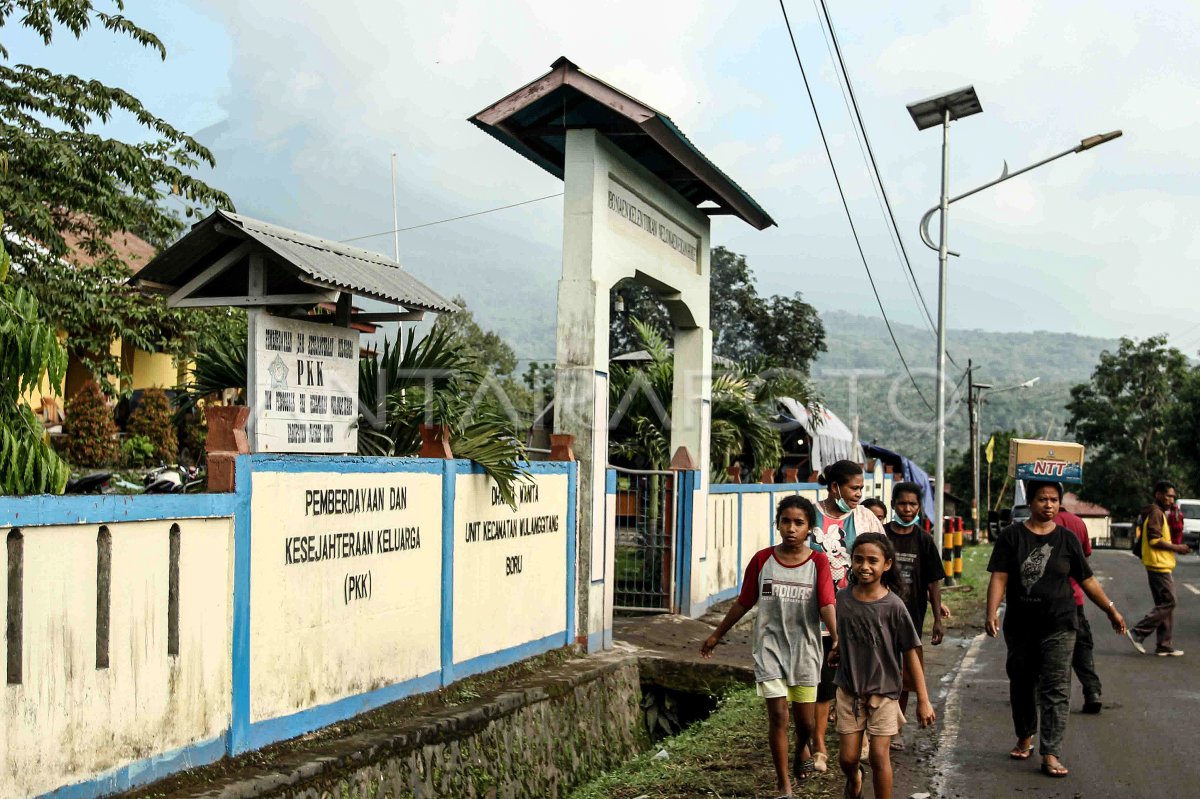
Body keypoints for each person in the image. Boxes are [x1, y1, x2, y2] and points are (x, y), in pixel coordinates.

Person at [986, 480, 1126, 779]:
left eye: (1052, 500)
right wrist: (991, 612)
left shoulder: (1067, 539)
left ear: (1059, 504)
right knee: (1022, 683)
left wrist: (1111, 610)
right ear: (1031, 503)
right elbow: (999, 576)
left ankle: (1050, 752)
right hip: (1021, 626)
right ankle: (1025, 734)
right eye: (1041, 500)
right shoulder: (1012, 537)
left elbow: (1087, 580)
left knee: (1057, 688)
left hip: (1060, 624)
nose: (1047, 505)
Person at [701, 495, 836, 799]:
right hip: (770, 648)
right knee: (778, 717)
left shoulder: (818, 562)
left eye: (799, 523)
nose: (791, 528)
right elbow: (744, 601)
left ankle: (801, 748)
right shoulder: (763, 560)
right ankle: (783, 784)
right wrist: (717, 634)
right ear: (777, 524)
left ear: (809, 529)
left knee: (805, 722)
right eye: (786, 521)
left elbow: (827, 603)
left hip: (805, 650)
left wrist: (837, 636)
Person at [829, 532, 935, 799]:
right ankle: (854, 779)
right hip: (849, 690)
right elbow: (847, 634)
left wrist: (923, 699)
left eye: (872, 560)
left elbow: (911, 653)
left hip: (885, 692)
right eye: (859, 559)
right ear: (851, 562)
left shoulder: (894, 606)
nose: (865, 566)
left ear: (886, 564)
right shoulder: (842, 599)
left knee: (878, 756)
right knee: (848, 758)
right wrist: (838, 649)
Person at [807, 460, 885, 774]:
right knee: (823, 683)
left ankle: (863, 738)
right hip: (816, 617)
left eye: (861, 489)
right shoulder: (809, 514)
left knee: (860, 679)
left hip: (858, 614)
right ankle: (819, 747)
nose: (857, 494)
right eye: (854, 488)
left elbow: (882, 559)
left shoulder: (865, 517)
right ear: (835, 486)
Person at [884, 481, 949, 746]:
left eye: (912, 504)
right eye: (902, 503)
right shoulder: (881, 535)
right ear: (893, 505)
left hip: (911, 618)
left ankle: (896, 729)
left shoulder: (923, 540)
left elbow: (933, 581)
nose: (907, 509)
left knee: (905, 676)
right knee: (881, 672)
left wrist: (937, 618)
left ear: (919, 507)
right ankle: (879, 726)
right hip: (879, 616)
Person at [1129, 480, 1191, 656]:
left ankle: (1164, 644)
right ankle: (1138, 632)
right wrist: (1178, 548)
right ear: (1158, 495)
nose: (1171, 499)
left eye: (1173, 496)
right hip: (1158, 564)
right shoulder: (1156, 512)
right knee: (1169, 601)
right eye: (1168, 495)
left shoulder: (1158, 512)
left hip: (1159, 563)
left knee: (1164, 604)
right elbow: (1154, 540)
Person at [1053, 505, 1103, 713]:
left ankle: (1039, 692)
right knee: (1081, 647)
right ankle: (1092, 691)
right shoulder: (1078, 523)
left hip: (1045, 600)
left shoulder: (1038, 525)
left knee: (1043, 647)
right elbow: (1085, 561)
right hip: (1075, 597)